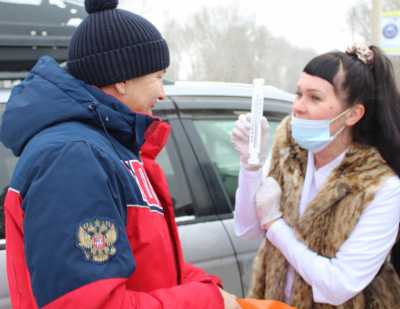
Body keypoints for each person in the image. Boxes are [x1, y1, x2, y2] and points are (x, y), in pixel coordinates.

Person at [0, 0, 240, 308]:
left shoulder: (107, 148)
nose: (162, 92)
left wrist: (204, 288)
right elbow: (90, 303)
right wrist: (204, 301)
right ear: (121, 78)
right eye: (157, 75)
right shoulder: (73, 159)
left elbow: (144, 264)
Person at [231, 44, 400, 308]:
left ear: (353, 114)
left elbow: (338, 286)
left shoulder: (380, 186)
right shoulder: (287, 152)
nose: (298, 106)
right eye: (298, 94)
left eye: (315, 97)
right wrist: (250, 165)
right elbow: (247, 229)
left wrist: (275, 224)